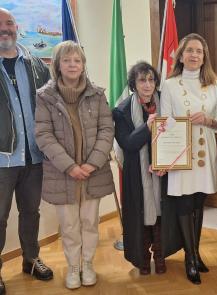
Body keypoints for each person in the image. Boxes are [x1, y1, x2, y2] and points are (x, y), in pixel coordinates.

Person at [35, 41, 115, 289]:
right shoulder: (44, 97)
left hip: (93, 172)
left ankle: (88, 264)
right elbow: (43, 135)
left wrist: (91, 164)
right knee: (69, 225)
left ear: (83, 65)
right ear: (58, 65)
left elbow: (106, 129)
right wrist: (70, 166)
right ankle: (73, 267)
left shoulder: (98, 94)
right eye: (67, 60)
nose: (72, 65)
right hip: (63, 174)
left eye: (77, 60)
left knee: (90, 223)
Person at [160, 33, 217, 284]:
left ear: (204, 55)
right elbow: (164, 122)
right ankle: (190, 257)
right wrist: (164, 160)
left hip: (205, 150)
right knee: (185, 204)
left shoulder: (214, 83)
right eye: (190, 51)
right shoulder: (170, 84)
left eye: (199, 51)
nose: (194, 55)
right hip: (181, 151)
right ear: (181, 54)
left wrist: (208, 120)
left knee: (199, 203)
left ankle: (196, 254)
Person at [0, 8, 53, 294]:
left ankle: (31, 259)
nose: (5, 29)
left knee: (31, 212)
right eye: (0, 25)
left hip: (34, 155)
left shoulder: (36, 65)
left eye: (9, 23)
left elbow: (52, 104)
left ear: (16, 27)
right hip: (2, 159)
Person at [113, 61, 166, 275]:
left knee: (162, 215)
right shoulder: (122, 110)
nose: (147, 85)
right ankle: (143, 260)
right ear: (134, 84)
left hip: (164, 173)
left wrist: (164, 163)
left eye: (151, 79)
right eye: (142, 80)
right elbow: (127, 143)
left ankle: (161, 257)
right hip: (137, 174)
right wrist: (147, 127)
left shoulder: (166, 103)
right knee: (141, 214)